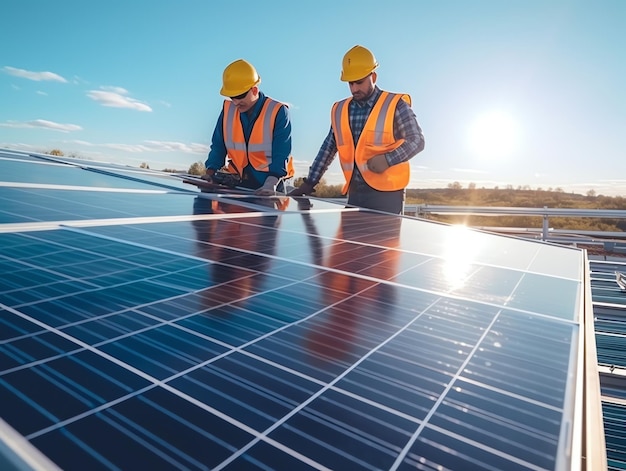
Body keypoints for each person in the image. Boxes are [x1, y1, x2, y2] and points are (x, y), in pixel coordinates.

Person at [289, 45, 425, 214]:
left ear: (373, 76)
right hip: (355, 194)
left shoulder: (395, 104)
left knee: (382, 241)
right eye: (350, 83)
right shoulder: (340, 110)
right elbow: (329, 148)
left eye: (359, 82)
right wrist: (310, 183)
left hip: (388, 196)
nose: (354, 88)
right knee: (352, 240)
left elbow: (417, 140)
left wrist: (388, 160)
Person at [203, 59, 294, 196]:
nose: (235, 102)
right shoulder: (228, 110)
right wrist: (210, 173)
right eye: (232, 96)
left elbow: (281, 153)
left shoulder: (277, 111)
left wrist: (271, 184)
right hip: (240, 181)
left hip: (273, 182)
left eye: (239, 96)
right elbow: (218, 146)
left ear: (254, 90)